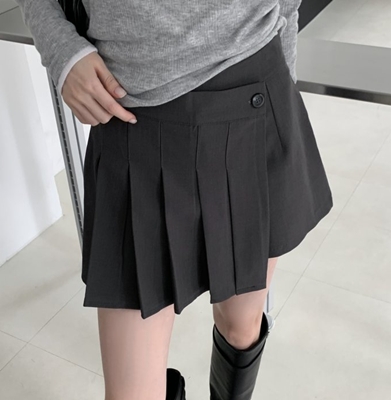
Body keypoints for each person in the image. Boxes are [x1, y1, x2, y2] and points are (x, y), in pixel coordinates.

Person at [15, 1, 333, 399]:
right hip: (131, 122)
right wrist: (61, 49)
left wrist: (284, 91)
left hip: (250, 93)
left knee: (241, 330)